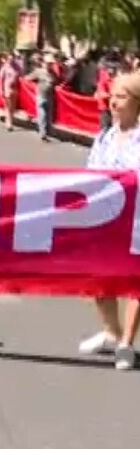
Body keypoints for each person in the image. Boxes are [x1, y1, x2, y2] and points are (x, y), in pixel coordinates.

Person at [80, 72, 140, 370]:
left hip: (136, 221)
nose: (114, 102)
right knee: (97, 280)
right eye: (113, 96)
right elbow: (89, 173)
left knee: (135, 284)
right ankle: (112, 334)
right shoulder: (104, 136)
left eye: (122, 97)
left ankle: (127, 343)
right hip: (104, 219)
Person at [25, 54, 57, 142]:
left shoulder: (53, 73)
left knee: (49, 116)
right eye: (48, 63)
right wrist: (34, 85)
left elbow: (56, 82)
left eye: (51, 63)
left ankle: (48, 132)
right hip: (41, 96)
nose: (49, 65)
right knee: (42, 115)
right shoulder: (38, 71)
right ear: (44, 63)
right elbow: (27, 78)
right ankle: (43, 133)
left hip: (50, 97)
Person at [0, 54, 19, 132]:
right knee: (8, 107)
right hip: (7, 89)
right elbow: (1, 80)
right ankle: (9, 123)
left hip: (14, 89)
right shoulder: (4, 68)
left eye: (12, 59)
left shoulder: (16, 67)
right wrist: (1, 90)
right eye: (10, 59)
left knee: (13, 107)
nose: (11, 60)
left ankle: (10, 121)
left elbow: (20, 75)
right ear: (7, 59)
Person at [95, 60, 116, 134]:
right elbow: (102, 93)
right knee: (104, 129)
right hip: (105, 108)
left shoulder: (115, 78)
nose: (112, 70)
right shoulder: (103, 78)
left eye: (114, 68)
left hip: (114, 108)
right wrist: (112, 95)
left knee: (113, 130)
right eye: (111, 68)